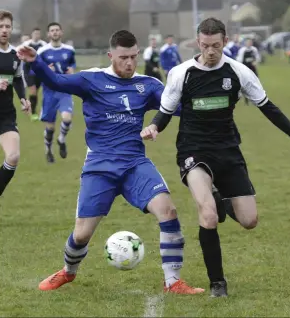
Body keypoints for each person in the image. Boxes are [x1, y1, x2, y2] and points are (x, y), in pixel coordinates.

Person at [140, 17, 290, 298]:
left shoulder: (239, 72)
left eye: (216, 45)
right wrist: (154, 126)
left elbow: (268, 107)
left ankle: (220, 198)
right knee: (207, 215)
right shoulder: (182, 73)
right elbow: (165, 111)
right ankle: (218, 283)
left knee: (249, 220)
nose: (210, 51)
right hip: (193, 150)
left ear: (225, 42)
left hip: (228, 150)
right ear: (198, 42)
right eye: (205, 45)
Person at [17, 29, 204, 295]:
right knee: (81, 235)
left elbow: (176, 106)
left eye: (133, 57)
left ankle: (173, 282)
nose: (129, 63)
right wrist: (34, 62)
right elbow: (57, 81)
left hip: (134, 164)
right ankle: (68, 272)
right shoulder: (91, 79)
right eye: (123, 57)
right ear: (110, 55)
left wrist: (199, 95)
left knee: (168, 211)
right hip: (99, 167)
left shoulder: (148, 84)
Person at [0, 10, 31, 198]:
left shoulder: (15, 55)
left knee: (13, 156)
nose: (4, 30)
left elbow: (17, 79)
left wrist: (23, 98)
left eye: (7, 26)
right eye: (0, 26)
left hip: (5, 115)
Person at [37, 22, 76, 163]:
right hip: (49, 93)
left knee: (67, 118)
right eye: (52, 30)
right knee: (50, 127)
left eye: (57, 30)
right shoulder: (42, 51)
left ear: (61, 32)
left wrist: (72, 70)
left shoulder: (69, 50)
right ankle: (48, 150)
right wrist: (47, 70)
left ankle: (61, 139)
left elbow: (72, 64)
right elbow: (34, 70)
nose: (55, 32)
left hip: (64, 90)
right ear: (48, 34)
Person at [22, 28, 47, 121]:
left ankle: (29, 106)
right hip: (29, 70)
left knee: (37, 92)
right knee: (32, 90)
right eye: (35, 33)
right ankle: (33, 112)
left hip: (39, 71)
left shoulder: (43, 45)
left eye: (38, 34)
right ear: (32, 34)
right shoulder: (27, 44)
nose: (37, 35)